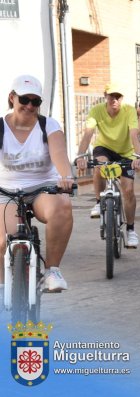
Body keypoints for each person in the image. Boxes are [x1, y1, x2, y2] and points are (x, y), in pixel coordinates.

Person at [0, 75, 75, 299]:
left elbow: (59, 154)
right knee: (3, 242)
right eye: (25, 99)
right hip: (6, 192)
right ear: (12, 98)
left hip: (43, 188)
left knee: (62, 206)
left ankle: (52, 271)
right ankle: (3, 285)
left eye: (36, 101)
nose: (30, 106)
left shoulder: (47, 125)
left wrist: (66, 177)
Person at [76, 83, 140, 248]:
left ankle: (130, 230)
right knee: (100, 166)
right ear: (105, 95)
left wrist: (138, 156)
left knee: (128, 190)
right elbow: (88, 134)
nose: (114, 99)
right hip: (104, 148)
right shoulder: (96, 110)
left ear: (122, 98)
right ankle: (99, 202)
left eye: (118, 96)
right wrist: (80, 156)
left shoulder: (129, 111)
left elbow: (134, 134)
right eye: (111, 96)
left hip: (126, 152)